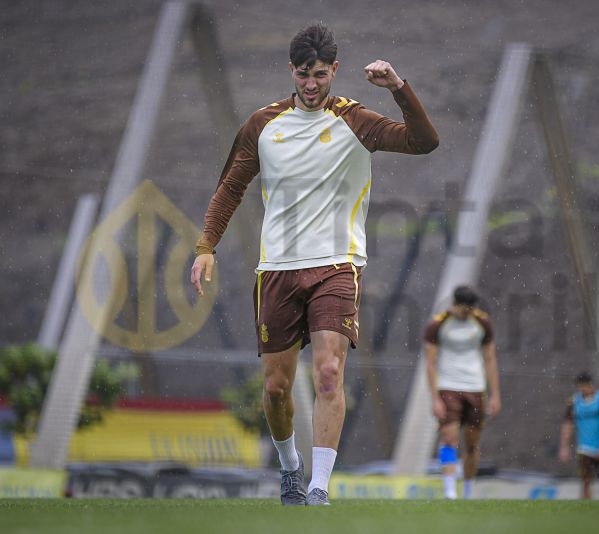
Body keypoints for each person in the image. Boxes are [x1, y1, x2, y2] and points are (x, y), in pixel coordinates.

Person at [190, 23, 438, 506]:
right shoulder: (263, 124)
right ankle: (290, 469)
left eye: (320, 75)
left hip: (336, 264)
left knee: (328, 372)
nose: (311, 84)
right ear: (291, 71)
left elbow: (423, 142)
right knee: (277, 388)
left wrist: (398, 89)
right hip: (277, 269)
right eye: (304, 74)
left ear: (335, 72)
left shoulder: (355, 120)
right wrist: (206, 246)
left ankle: (320, 488)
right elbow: (230, 187)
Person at [424, 285, 501, 499]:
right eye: (463, 309)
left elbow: (490, 358)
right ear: (455, 304)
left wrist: (495, 394)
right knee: (449, 437)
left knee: (472, 443)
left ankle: (467, 489)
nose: (466, 313)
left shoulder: (482, 323)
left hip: (476, 387)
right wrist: (435, 398)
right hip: (448, 386)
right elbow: (430, 363)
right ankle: (450, 491)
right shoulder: (438, 324)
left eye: (469, 309)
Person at [559, 372, 599, 499]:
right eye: (579, 387)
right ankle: (587, 505)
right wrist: (564, 446)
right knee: (586, 479)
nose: (582, 390)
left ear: (590, 385)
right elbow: (568, 423)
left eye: (583, 386)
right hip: (585, 447)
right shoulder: (574, 401)